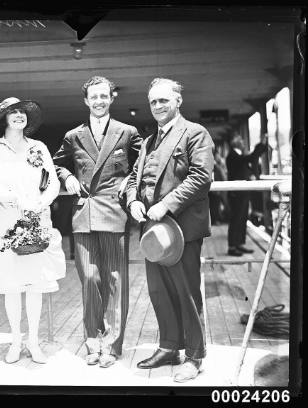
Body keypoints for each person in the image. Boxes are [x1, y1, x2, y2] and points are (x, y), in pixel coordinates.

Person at [125, 77, 214, 382]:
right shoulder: (149, 141)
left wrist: (168, 204)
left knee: (186, 291)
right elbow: (134, 178)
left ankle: (194, 356)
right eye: (153, 102)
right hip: (153, 231)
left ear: (178, 101)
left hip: (182, 228)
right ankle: (169, 347)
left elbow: (202, 176)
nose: (158, 106)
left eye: (164, 100)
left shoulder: (195, 133)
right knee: (159, 291)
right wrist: (133, 200)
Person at [53, 76, 141, 368]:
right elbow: (56, 163)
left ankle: (113, 344)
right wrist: (66, 177)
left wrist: (130, 179)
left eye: (104, 96)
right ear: (86, 101)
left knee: (114, 279)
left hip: (115, 212)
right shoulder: (73, 135)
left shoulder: (127, 132)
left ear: (112, 98)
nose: (99, 101)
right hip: (84, 213)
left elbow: (144, 165)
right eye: (94, 97)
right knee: (90, 278)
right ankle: (93, 339)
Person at [0, 97, 66, 364]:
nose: (19, 116)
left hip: (36, 221)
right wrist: (13, 199)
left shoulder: (38, 147)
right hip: (6, 223)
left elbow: (50, 182)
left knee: (35, 285)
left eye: (22, 112)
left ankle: (33, 341)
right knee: (11, 285)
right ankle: (16, 341)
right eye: (12, 112)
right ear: (3, 119)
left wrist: (41, 202)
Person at [226, 133, 268, 256]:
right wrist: (261, 144)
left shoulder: (238, 155)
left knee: (242, 218)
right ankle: (232, 247)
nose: (243, 141)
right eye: (240, 139)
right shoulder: (232, 156)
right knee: (236, 219)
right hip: (236, 194)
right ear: (234, 142)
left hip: (242, 193)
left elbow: (249, 162)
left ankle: (239, 244)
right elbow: (250, 158)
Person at [209, 148, 229, 225]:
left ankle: (216, 219)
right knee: (214, 204)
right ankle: (214, 219)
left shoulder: (219, 165)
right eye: (217, 156)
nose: (219, 157)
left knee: (216, 204)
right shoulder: (214, 165)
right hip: (213, 188)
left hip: (218, 187)